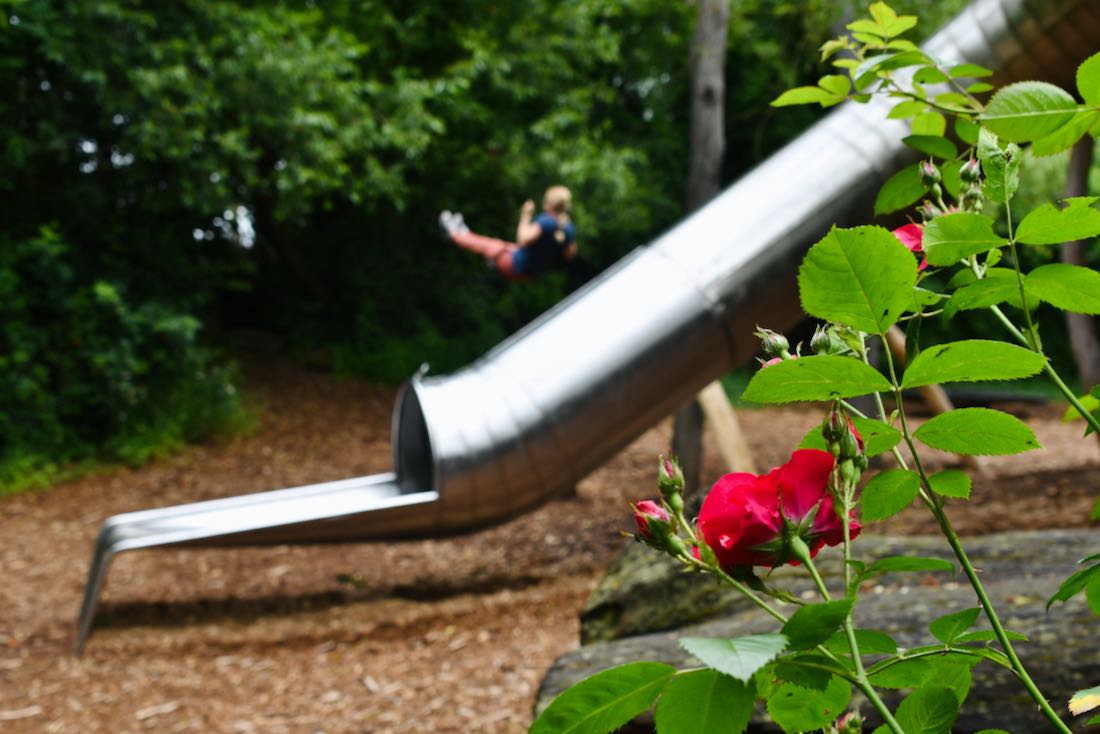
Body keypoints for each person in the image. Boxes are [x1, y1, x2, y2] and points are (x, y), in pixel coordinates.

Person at [440, 185, 577, 281]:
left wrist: (525, 216)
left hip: (517, 266)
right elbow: (569, 255)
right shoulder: (568, 228)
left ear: (548, 203)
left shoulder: (546, 222)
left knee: (491, 246)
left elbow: (522, 240)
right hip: (531, 271)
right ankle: (464, 233)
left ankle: (453, 233)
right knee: (500, 245)